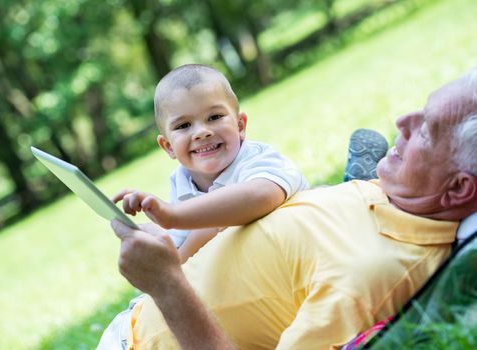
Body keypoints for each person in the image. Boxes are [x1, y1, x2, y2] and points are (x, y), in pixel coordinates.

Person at [105, 69, 477, 350]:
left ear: (458, 188)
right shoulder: (400, 195)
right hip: (132, 321)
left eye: (428, 129)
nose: (402, 122)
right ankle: (356, 175)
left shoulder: (367, 276)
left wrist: (167, 283)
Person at [112, 64, 307, 262]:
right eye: (184, 125)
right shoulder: (182, 182)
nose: (202, 132)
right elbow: (182, 241)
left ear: (240, 126)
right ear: (168, 146)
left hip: (304, 255)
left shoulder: (257, 158)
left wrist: (173, 218)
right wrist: (158, 241)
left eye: (214, 117)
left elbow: (261, 196)